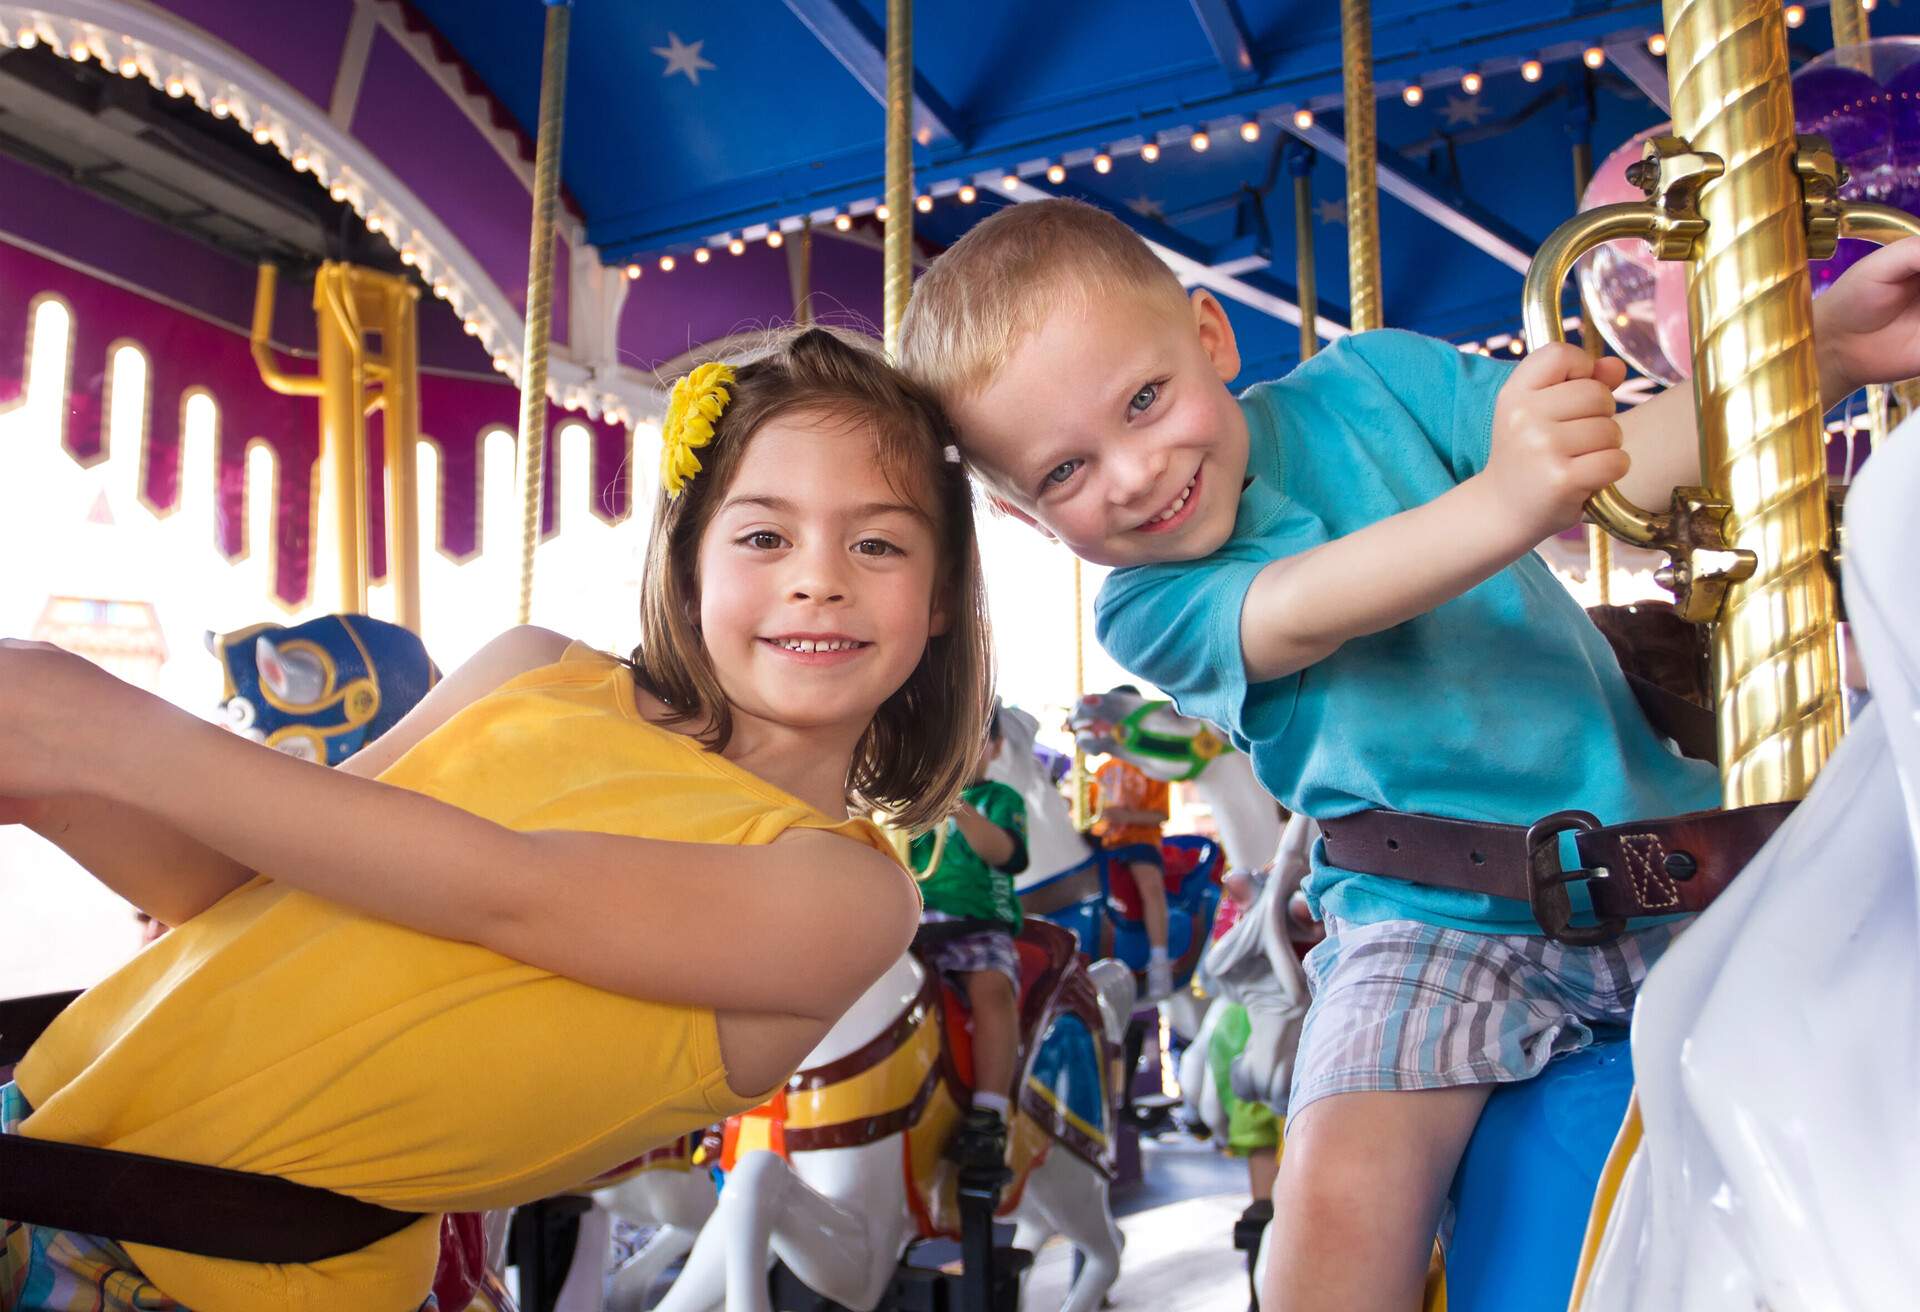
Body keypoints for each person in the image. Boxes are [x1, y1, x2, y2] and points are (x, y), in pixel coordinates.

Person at [896, 196, 1920, 1310]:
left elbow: (1618, 466)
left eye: (1145, 400)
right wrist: (1510, 498)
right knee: (1337, 1205)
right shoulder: (1150, 603)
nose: (1132, 474)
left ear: (1209, 335)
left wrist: (1820, 348)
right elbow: (1313, 604)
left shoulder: (1377, 385)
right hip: (1428, 926)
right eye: (1064, 474)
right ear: (1032, 521)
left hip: (1673, 859)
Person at [0, 326, 993, 1312]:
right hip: (39, 1132)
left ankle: (990, 1117)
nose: (818, 578)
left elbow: (504, 891)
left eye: (877, 542)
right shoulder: (532, 670)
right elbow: (227, 881)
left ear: (941, 596)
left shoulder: (846, 895)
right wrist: (53, 786)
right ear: (691, 560)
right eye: (765, 535)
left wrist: (105, 730)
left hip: (220, 1275)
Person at [909, 704, 1028, 1179]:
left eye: (973, 739)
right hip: (914, 926)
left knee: (990, 988)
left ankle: (989, 1110)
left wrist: (955, 804)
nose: (958, 752)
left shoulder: (998, 799)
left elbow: (1004, 854)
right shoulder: (911, 804)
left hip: (978, 923)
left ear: (995, 747)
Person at [1085, 689, 1174, 1000]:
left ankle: (1159, 960)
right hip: (1107, 843)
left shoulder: (1150, 765)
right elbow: (1089, 815)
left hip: (1139, 841)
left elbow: (1161, 814)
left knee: (1149, 884)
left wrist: (1126, 814)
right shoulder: (1101, 771)